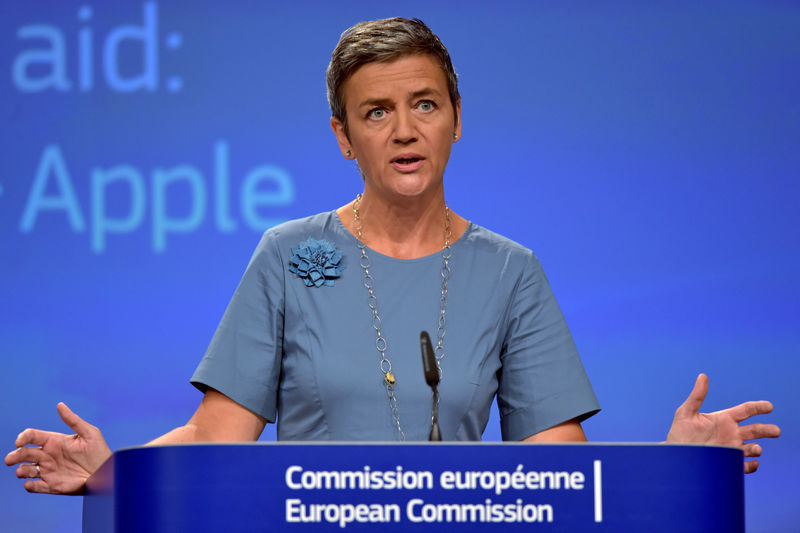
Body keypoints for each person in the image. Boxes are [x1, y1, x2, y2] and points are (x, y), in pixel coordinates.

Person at [5, 17, 780, 495]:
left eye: (424, 105)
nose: (405, 130)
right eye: (377, 112)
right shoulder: (287, 254)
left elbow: (560, 474)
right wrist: (114, 472)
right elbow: (214, 440)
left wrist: (675, 467)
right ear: (344, 137)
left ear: (455, 120)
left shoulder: (511, 271)